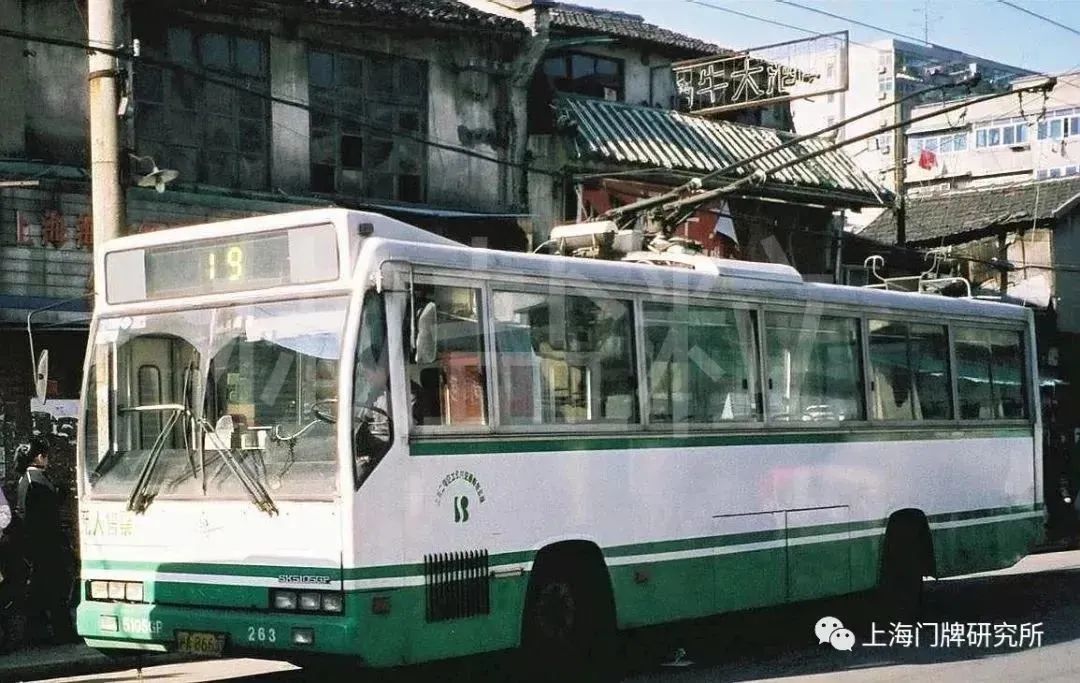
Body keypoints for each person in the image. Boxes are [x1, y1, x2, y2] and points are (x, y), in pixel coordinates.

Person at [15, 438, 74, 644]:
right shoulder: (37, 480)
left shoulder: (27, 479)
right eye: (46, 455)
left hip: (38, 545)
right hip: (45, 545)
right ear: (40, 456)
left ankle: (37, 633)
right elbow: (46, 513)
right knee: (56, 590)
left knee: (42, 591)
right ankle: (62, 633)